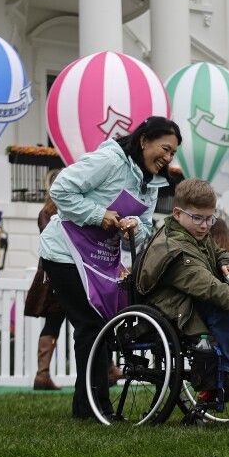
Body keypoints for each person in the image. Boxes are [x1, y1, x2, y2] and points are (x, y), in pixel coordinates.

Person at [39, 116, 182, 419]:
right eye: (165, 148)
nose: (168, 158)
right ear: (144, 140)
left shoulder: (152, 182)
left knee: (100, 328)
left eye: (173, 153)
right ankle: (92, 408)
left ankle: (90, 406)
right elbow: (61, 189)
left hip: (102, 258)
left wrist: (132, 227)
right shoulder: (108, 160)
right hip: (63, 252)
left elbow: (143, 227)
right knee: (91, 326)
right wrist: (99, 214)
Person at [135, 178, 229, 400]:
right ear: (177, 214)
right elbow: (208, 287)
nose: (205, 225)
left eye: (210, 219)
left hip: (190, 298)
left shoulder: (197, 235)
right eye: (198, 218)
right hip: (169, 308)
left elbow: (218, 252)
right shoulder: (174, 248)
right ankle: (227, 374)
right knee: (222, 307)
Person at [31, 194, 67, 390]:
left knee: (53, 321)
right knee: (90, 319)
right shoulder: (60, 214)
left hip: (49, 272)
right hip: (63, 271)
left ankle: (42, 374)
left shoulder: (45, 212)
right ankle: (107, 369)